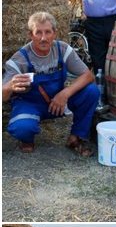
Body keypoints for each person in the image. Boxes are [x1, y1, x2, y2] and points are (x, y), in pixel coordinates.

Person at [2, 12, 99, 155]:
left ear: (55, 33)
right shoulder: (19, 59)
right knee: (22, 128)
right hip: (30, 104)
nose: (43, 38)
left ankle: (76, 137)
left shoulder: (62, 50)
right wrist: (9, 86)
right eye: (38, 33)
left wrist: (65, 93)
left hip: (57, 103)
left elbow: (88, 75)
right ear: (30, 35)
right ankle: (27, 138)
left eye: (48, 32)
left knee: (92, 91)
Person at [59, 0, 116, 72]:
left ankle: (114, 82)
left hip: (115, 22)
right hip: (93, 23)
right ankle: (101, 82)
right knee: (97, 57)